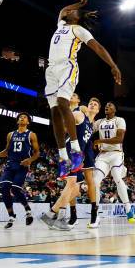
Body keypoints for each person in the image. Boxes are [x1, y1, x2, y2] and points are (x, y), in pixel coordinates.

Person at [45, 0, 122, 178]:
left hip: (67, 67)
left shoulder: (79, 30)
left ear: (77, 17)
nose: (68, 11)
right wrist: (79, 3)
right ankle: (63, 157)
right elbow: (63, 10)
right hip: (51, 69)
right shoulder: (61, 24)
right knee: (55, 111)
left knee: (64, 103)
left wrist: (113, 65)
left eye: (74, 11)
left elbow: (98, 48)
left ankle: (76, 149)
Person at [40, 96, 101, 230]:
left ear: (98, 110)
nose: (92, 104)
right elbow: (62, 123)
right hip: (69, 152)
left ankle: (51, 214)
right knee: (72, 185)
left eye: (95, 104)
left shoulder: (91, 126)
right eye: (91, 102)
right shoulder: (80, 115)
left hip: (78, 157)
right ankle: (55, 216)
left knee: (76, 191)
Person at [0, 112, 40, 229]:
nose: (22, 118)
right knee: (3, 188)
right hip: (10, 165)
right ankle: (11, 216)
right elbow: (7, 151)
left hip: (22, 166)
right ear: (17, 121)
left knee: (15, 189)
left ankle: (28, 210)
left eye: (25, 117)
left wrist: (30, 160)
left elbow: (37, 153)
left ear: (28, 122)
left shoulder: (31, 135)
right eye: (20, 117)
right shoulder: (10, 134)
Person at [93, 102, 135, 223]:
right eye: (106, 105)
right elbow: (87, 131)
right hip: (103, 155)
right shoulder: (99, 122)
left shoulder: (119, 120)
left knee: (117, 177)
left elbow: (119, 139)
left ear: (115, 109)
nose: (107, 107)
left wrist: (99, 140)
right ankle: (95, 214)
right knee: (95, 182)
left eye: (110, 105)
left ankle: (128, 210)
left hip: (116, 153)